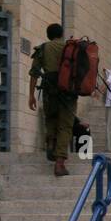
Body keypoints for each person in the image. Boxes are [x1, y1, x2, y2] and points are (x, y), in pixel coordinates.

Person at [27, 22, 77, 177]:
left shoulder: (43, 48)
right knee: (65, 126)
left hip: (49, 90)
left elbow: (34, 73)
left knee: (50, 119)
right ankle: (59, 164)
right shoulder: (70, 49)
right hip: (68, 91)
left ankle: (50, 142)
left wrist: (31, 96)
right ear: (61, 34)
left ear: (48, 35)